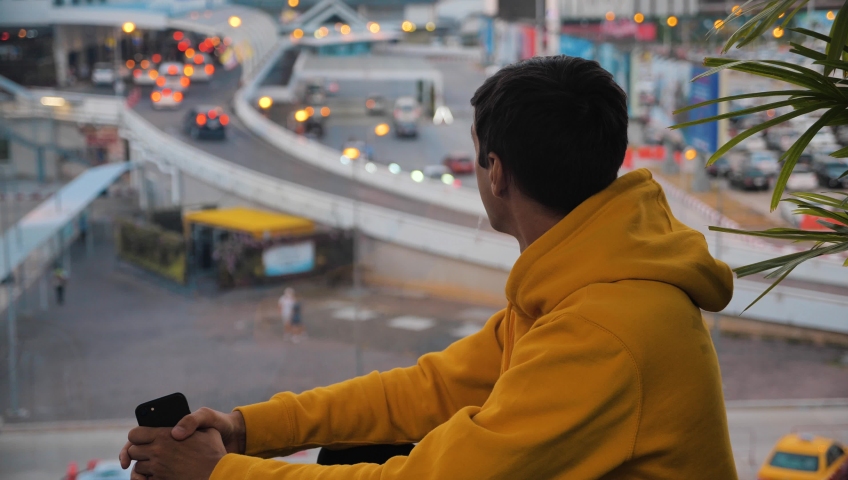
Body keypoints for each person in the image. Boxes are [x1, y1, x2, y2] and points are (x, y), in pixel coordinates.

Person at [120, 56, 738, 479]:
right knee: (360, 442)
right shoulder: (588, 281)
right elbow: (431, 388)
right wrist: (246, 430)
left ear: (496, 172)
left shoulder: (604, 329)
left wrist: (219, 472)